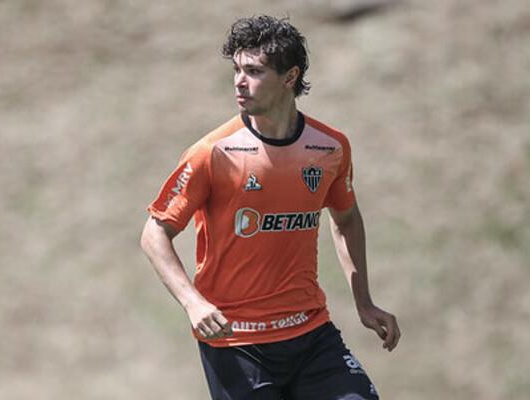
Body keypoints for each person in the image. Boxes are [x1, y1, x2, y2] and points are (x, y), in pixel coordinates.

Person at [140, 15, 400, 400]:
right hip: (236, 342)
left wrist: (363, 300)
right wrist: (193, 303)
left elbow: (345, 218)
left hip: (311, 333)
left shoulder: (329, 147)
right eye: (237, 69)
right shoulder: (212, 153)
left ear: (290, 77)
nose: (239, 81)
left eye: (254, 71)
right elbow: (154, 233)